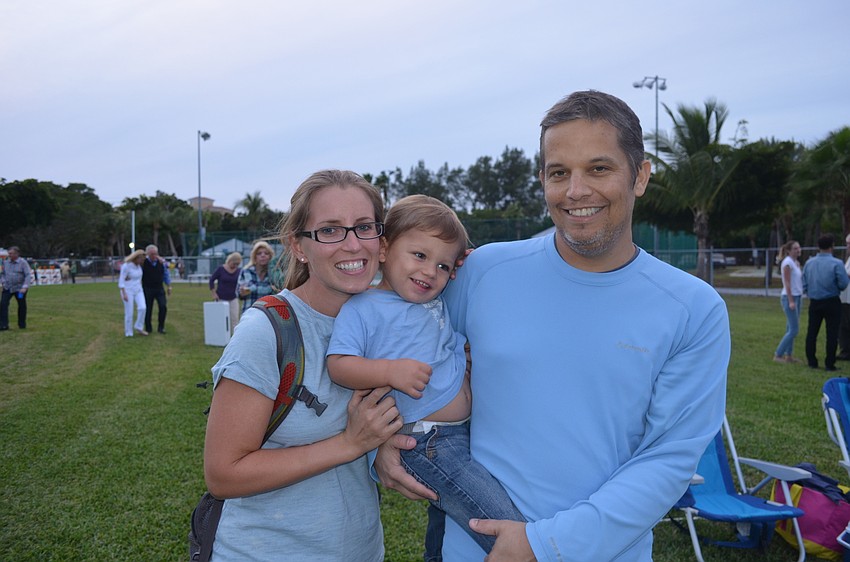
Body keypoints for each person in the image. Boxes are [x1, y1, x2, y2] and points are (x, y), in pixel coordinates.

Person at [375, 90, 731, 561]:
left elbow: (667, 460)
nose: (576, 191)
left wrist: (545, 544)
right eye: (558, 172)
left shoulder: (694, 308)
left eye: (599, 168)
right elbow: (389, 342)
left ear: (640, 176)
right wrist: (381, 440)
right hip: (470, 547)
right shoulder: (481, 273)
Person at [203, 169, 405, 561]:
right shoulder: (267, 331)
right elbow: (223, 474)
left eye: (364, 227)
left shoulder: (387, 324)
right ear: (298, 245)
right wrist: (349, 444)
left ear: (381, 240)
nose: (352, 245)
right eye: (330, 230)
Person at [327, 195, 524, 557]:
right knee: (497, 521)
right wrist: (388, 371)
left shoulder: (434, 300)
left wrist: (463, 259)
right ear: (384, 249)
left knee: (455, 523)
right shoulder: (363, 308)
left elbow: (459, 265)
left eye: (443, 267)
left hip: (462, 433)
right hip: (428, 443)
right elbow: (339, 364)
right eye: (419, 256)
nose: (431, 272)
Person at [802, 233, 849, 371]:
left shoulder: (809, 263)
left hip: (815, 301)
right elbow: (844, 283)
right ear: (832, 246)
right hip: (832, 301)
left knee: (812, 332)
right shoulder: (837, 263)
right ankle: (829, 363)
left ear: (818, 246)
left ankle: (812, 361)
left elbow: (804, 283)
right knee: (832, 333)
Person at [774, 240, 803, 363]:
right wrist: (791, 301)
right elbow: (787, 282)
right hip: (789, 297)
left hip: (798, 296)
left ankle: (788, 355)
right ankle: (778, 354)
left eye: (799, 248)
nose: (798, 250)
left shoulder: (795, 263)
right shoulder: (787, 263)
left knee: (790, 328)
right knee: (794, 330)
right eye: (795, 248)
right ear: (789, 251)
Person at [209, 252, 243, 333]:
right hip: (221, 297)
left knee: (235, 318)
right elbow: (211, 280)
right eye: (234, 263)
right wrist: (214, 293)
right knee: (221, 318)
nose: (235, 266)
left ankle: (235, 337)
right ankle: (221, 336)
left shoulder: (239, 271)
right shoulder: (221, 269)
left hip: (233, 298)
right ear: (230, 260)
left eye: (237, 264)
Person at [0, 246, 33, 331]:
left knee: (21, 305)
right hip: (8, 288)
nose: (9, 255)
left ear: (17, 254)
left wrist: (25, 287)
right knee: (3, 305)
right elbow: (3, 273)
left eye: (11, 253)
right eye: (9, 253)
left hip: (20, 289)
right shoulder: (5, 262)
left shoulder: (23, 263)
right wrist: (3, 282)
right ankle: (3, 325)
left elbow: (28, 275)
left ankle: (22, 324)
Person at [142, 244, 172, 334]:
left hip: (159, 288)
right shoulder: (143, 263)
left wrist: (169, 285)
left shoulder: (161, 263)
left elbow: (166, 274)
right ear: (147, 254)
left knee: (163, 306)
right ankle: (148, 327)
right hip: (147, 288)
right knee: (148, 308)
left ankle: (161, 327)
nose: (154, 256)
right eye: (152, 254)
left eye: (155, 254)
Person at [238, 241, 275, 312]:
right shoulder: (246, 271)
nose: (263, 255)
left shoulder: (274, 273)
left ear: (270, 256)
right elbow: (238, 293)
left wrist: (251, 289)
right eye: (259, 253)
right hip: (249, 313)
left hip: (268, 314)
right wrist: (242, 292)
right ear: (254, 257)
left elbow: (275, 292)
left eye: (266, 253)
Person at [118, 249, 148, 337]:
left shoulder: (138, 267)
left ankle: (138, 326)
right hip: (127, 291)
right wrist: (124, 293)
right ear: (136, 258)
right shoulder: (126, 266)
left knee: (143, 307)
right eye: (141, 260)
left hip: (138, 290)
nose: (142, 262)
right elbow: (121, 280)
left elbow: (138, 279)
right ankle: (128, 332)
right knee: (129, 312)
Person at [837, 233, 850, 361]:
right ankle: (845, 350)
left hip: (848, 299)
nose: (847, 247)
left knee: (845, 325)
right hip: (845, 298)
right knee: (844, 325)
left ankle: (846, 351)